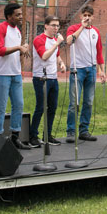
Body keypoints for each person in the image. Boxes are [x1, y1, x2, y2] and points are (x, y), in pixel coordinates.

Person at [0, 3, 31, 150]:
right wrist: (18, 47)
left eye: (21, 14)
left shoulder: (17, 31)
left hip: (16, 73)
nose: (21, 17)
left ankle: (15, 137)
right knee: (1, 107)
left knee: (19, 104)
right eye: (18, 15)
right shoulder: (0, 28)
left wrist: (23, 49)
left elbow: (14, 51)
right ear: (9, 16)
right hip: (2, 74)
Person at [65, 5, 105, 143]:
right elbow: (69, 41)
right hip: (78, 69)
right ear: (80, 16)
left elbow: (99, 51)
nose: (87, 17)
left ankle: (84, 130)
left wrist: (102, 70)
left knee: (88, 101)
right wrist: (81, 27)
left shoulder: (96, 31)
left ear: (93, 17)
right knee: (74, 102)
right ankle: (71, 131)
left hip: (92, 69)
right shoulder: (73, 29)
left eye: (89, 15)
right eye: (85, 15)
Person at [30, 15, 66, 147]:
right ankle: (33, 135)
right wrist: (57, 43)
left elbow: (56, 56)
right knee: (40, 107)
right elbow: (44, 56)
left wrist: (61, 63)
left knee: (52, 108)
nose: (56, 28)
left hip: (53, 78)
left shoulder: (54, 40)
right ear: (45, 26)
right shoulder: (39, 39)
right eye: (53, 25)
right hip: (41, 78)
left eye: (57, 26)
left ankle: (48, 135)